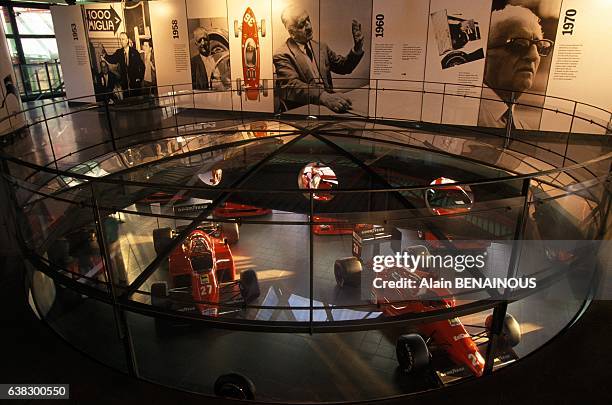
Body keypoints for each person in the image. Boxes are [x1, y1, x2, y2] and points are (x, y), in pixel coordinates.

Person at [273, 6, 364, 113]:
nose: (309, 26)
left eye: (308, 20)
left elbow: (344, 67)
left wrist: (357, 48)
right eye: (302, 24)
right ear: (291, 32)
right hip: (302, 111)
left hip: (327, 107)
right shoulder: (282, 54)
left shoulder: (321, 47)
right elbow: (293, 86)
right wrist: (324, 97)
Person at [479, 5, 554, 129]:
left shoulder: (524, 129)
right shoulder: (461, 118)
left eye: (539, 47)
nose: (533, 56)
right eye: (519, 45)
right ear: (486, 54)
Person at [101, 32, 145, 98]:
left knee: (136, 100)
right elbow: (112, 59)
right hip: (125, 83)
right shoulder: (119, 52)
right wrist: (105, 55)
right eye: (120, 39)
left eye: (123, 39)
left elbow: (142, 66)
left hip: (135, 83)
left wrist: (139, 78)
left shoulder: (134, 52)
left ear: (127, 40)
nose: (121, 41)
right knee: (127, 101)